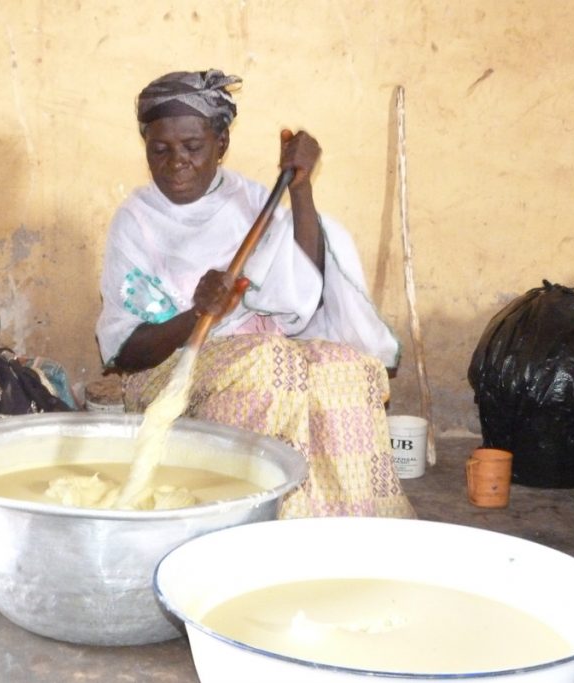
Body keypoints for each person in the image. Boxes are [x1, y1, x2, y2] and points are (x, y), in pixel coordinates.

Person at [95, 69, 414, 519]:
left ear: (221, 144)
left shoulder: (249, 200)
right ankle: (240, 523)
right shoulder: (136, 221)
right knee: (269, 366)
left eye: (192, 147)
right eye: (160, 150)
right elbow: (126, 352)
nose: (176, 162)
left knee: (347, 371)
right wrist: (197, 314)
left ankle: (346, 529)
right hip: (169, 371)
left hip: (262, 352)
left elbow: (301, 294)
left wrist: (300, 189)